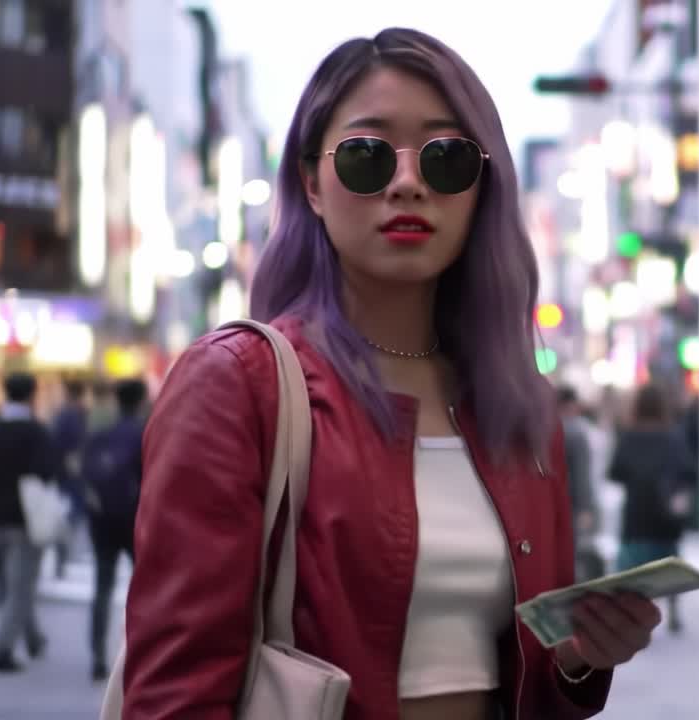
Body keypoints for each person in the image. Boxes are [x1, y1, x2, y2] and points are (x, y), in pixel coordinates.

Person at [123, 29, 661, 720]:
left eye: (445, 158)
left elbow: (529, 683)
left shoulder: (517, 408)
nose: (408, 182)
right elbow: (175, 694)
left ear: (480, 187)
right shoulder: (236, 382)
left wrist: (582, 657)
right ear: (312, 183)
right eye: (368, 155)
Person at [0, 372, 60, 672]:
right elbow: (47, 472)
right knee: (21, 586)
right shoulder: (37, 433)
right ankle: (2, 650)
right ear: (32, 395)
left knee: (17, 581)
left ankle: (34, 639)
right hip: (26, 519)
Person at [607, 383, 697, 634]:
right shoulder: (672, 437)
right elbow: (689, 471)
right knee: (668, 563)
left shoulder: (629, 437)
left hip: (637, 515)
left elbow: (615, 472)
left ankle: (637, 618)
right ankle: (673, 610)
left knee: (633, 569)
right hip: (666, 517)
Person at [81, 379, 146, 681]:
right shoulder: (145, 434)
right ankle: (140, 652)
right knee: (145, 590)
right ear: (141, 400)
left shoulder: (99, 437)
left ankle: (96, 656)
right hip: (135, 519)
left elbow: (86, 476)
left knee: (102, 586)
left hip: (102, 520)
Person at [557, 385, 602, 581]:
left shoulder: (548, 429)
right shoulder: (576, 431)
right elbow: (582, 473)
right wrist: (586, 508)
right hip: (573, 503)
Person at [50, 379, 88, 579]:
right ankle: (62, 557)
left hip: (64, 473)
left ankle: (61, 557)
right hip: (73, 474)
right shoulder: (77, 415)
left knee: (66, 516)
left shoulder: (63, 416)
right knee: (69, 517)